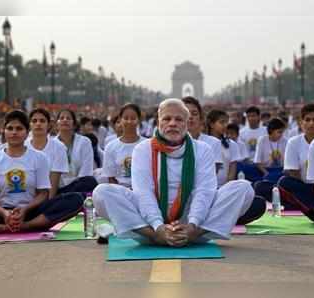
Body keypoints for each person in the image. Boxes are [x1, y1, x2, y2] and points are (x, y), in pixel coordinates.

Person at [93, 98, 255, 246]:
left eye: (179, 119)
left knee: (244, 188)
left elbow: (204, 191)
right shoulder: (143, 149)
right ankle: (154, 237)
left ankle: (192, 235)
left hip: (194, 221)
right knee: (102, 193)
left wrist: (192, 226)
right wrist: (158, 228)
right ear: (158, 122)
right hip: (149, 224)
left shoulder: (202, 149)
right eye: (167, 119)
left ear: (186, 123)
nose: (172, 123)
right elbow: (143, 192)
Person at [0, 110, 84, 233]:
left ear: (27, 133)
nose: (14, 132)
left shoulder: (40, 158)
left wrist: (25, 209)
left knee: (75, 199)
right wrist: (5, 213)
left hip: (32, 212)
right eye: (10, 128)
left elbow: (43, 194)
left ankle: (26, 226)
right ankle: (0, 228)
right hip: (0, 213)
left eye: (19, 128)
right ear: (4, 132)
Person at [258, 104, 314, 208]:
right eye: (307, 120)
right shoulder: (294, 142)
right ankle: (305, 202)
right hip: (303, 186)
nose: (311, 123)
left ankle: (302, 203)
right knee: (282, 182)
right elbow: (293, 173)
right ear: (301, 122)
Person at [26, 108, 69, 198]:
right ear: (29, 125)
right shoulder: (23, 146)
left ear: (49, 125)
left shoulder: (59, 147)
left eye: (42, 121)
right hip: (27, 195)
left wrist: (47, 205)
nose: (38, 124)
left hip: (53, 193)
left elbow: (54, 181)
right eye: (34, 121)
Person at [101, 103, 145, 188]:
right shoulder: (111, 146)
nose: (129, 121)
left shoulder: (147, 144)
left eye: (133, 118)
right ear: (120, 119)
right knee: (100, 190)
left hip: (142, 189)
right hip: (121, 190)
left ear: (139, 120)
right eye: (125, 118)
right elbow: (111, 177)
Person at [55, 109, 97, 195]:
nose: (65, 120)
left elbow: (86, 170)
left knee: (90, 181)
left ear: (74, 124)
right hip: (59, 187)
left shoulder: (84, 142)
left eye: (68, 118)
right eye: (61, 118)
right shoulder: (52, 144)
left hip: (80, 185)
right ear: (57, 124)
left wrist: (76, 184)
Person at [181, 96, 223, 173]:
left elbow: (212, 173)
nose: (190, 117)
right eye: (185, 113)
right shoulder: (172, 143)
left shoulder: (213, 143)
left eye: (194, 114)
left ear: (201, 118)